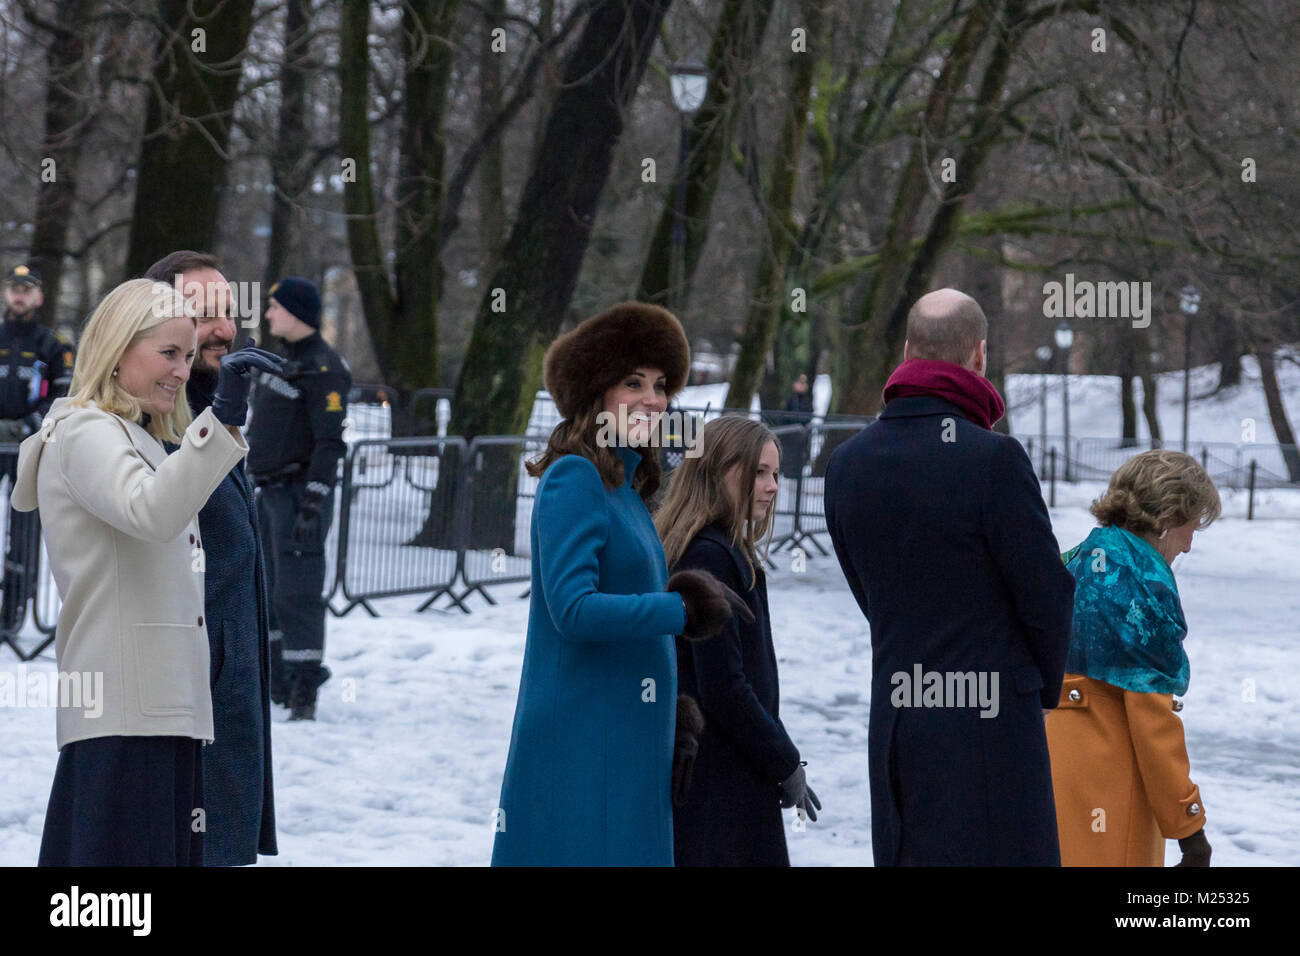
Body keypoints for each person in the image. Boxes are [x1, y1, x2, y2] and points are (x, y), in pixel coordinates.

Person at [11, 278, 281, 865]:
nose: (183, 371)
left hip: (155, 703)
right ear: (116, 348)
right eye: (167, 353)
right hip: (126, 706)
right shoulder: (85, 430)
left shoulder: (134, 434)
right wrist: (223, 419)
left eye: (187, 356)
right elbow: (152, 512)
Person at [490, 302, 750, 867]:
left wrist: (673, 706)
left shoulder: (625, 488)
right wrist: (681, 609)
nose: (654, 399)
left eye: (661, 385)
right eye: (633, 382)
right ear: (595, 391)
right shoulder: (574, 478)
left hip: (630, 732)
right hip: (585, 734)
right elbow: (574, 610)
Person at [824, 287, 1076, 866]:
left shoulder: (847, 463)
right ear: (979, 357)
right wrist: (1037, 685)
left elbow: (869, 592)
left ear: (908, 350)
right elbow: (1046, 594)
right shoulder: (993, 459)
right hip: (990, 723)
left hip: (896, 717)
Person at [143, 251, 278, 866]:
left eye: (228, 312)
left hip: (229, 665)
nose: (224, 329)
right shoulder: (143, 414)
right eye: (203, 315)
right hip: (182, 678)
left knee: (220, 841)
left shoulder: (212, 396)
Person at [656, 415, 820, 866]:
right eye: (759, 472)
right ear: (716, 472)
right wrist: (784, 761)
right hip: (719, 784)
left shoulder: (724, 551)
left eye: (776, 473)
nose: (771, 487)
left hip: (730, 773)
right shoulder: (709, 556)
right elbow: (724, 687)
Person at [1047, 450, 1220, 867]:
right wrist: (1190, 830)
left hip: (1047, 776)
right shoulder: (1142, 588)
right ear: (1167, 520)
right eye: (1191, 527)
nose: (1190, 545)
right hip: (1108, 789)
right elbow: (1151, 723)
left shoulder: (1072, 562)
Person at [245, 277, 351, 720]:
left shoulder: (325, 368)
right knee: (266, 589)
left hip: (298, 494)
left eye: (274, 308)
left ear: (295, 313)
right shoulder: (280, 360)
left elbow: (330, 442)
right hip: (267, 490)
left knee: (298, 592)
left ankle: (305, 685)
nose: (268, 315)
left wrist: (315, 498)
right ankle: (277, 680)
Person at [1, 264, 73, 633]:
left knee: (23, 529)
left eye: (27, 289)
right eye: (14, 288)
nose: (19, 295)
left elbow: (65, 394)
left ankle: (12, 610)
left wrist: (32, 424)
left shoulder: (51, 343)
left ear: (39, 297)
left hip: (29, 446)